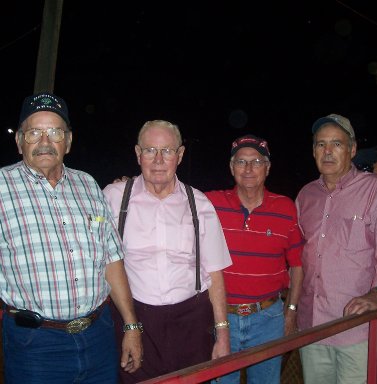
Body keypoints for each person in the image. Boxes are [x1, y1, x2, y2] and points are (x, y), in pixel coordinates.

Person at [0, 92, 143, 384]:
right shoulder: (1, 187)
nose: (44, 141)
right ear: (19, 141)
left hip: (99, 335)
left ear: (68, 141)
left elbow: (111, 259)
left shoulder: (88, 184)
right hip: (34, 347)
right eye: (34, 132)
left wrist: (131, 325)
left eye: (55, 132)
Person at [103, 119, 232, 383]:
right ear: (138, 154)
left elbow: (214, 273)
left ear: (180, 155)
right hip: (135, 320)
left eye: (168, 151)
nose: (159, 159)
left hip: (192, 324)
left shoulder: (200, 203)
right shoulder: (114, 197)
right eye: (150, 150)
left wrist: (223, 335)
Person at [205, 134, 304, 384]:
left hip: (268, 319)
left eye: (256, 162)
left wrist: (290, 312)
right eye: (241, 162)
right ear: (231, 167)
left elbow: (297, 265)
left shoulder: (285, 207)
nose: (248, 169)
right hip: (221, 319)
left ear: (267, 168)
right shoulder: (210, 203)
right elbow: (172, 197)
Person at [296, 113, 377, 384]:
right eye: (321, 144)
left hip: (357, 328)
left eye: (337, 143)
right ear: (313, 151)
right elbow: (297, 255)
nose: (328, 151)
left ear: (353, 149)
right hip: (312, 327)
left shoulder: (375, 190)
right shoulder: (305, 196)